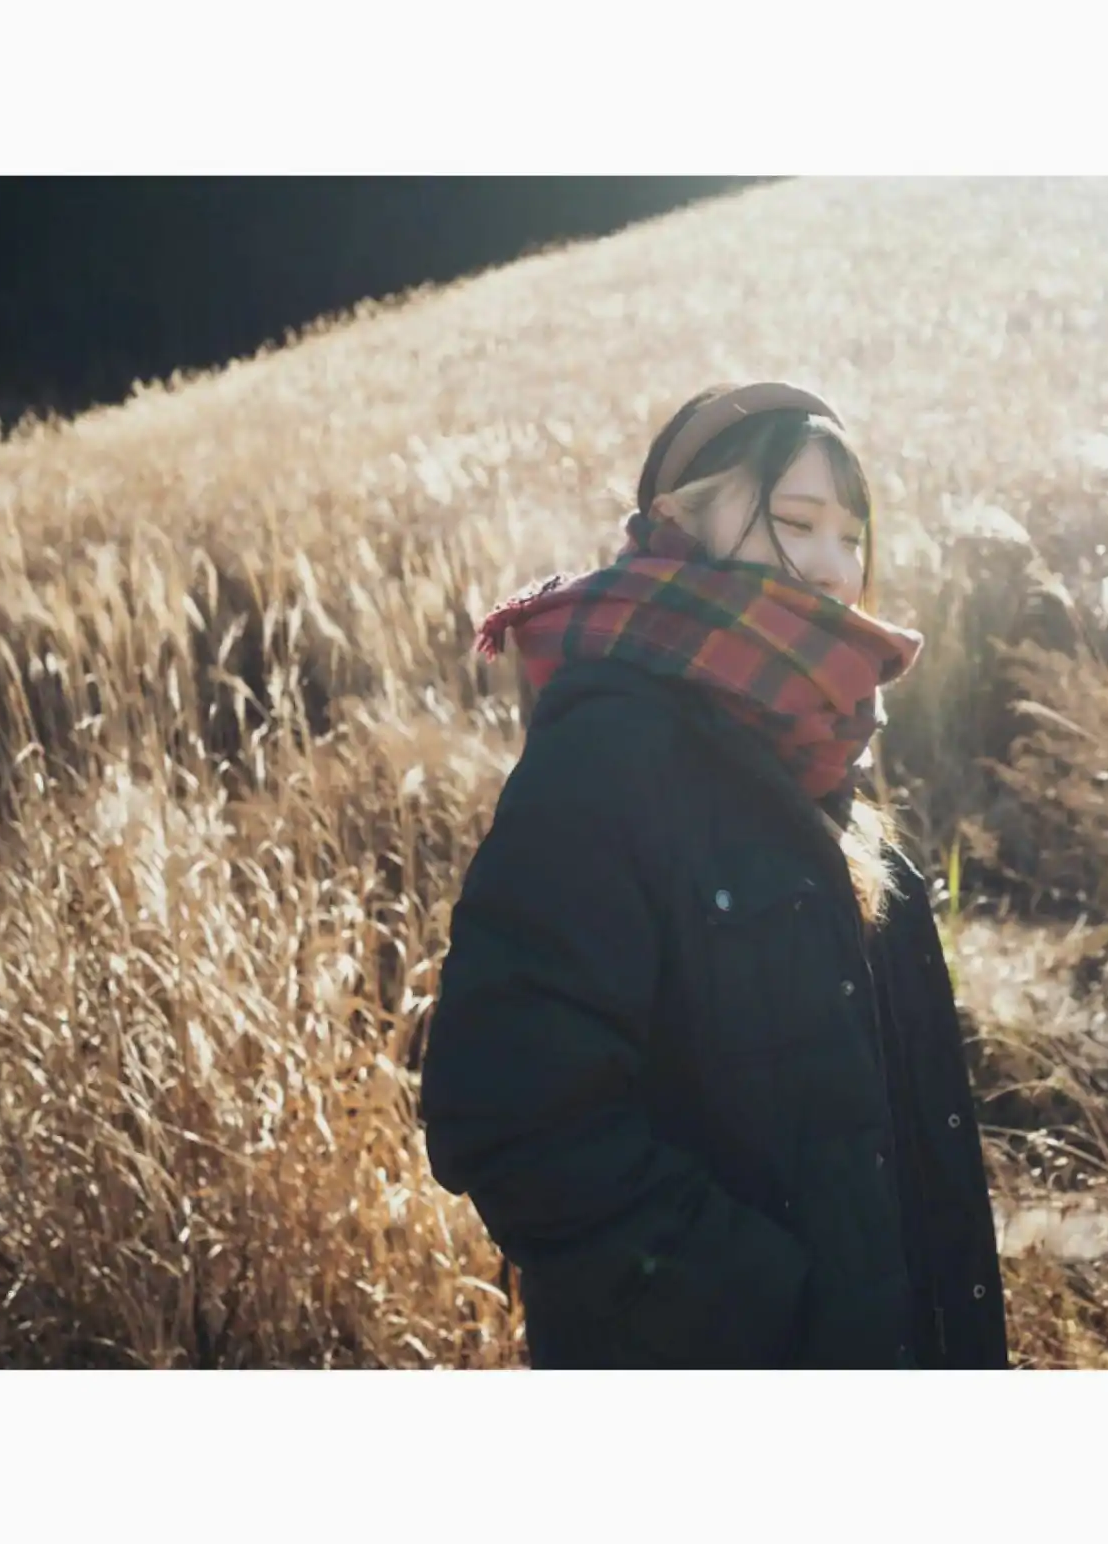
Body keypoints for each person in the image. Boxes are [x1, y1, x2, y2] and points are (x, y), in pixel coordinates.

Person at [419, 381, 1009, 1369]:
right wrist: (772, 1313)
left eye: (852, 535)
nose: (835, 564)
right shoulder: (605, 760)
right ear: (677, 522)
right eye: (797, 521)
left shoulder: (814, 754)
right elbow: (512, 1118)